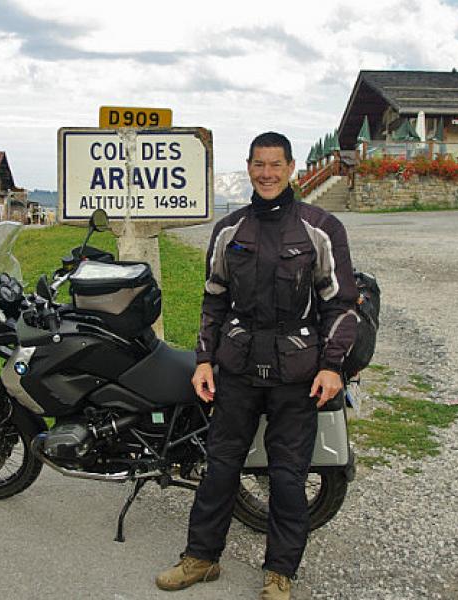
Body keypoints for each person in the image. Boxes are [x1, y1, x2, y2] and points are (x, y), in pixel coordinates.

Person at [155, 132, 359, 599]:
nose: (266, 173)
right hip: (237, 370)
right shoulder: (230, 230)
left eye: (276, 165)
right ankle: (201, 559)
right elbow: (214, 300)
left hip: (298, 374)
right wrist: (204, 359)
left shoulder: (321, 228)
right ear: (248, 167)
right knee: (220, 468)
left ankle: (279, 573)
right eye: (258, 164)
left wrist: (331, 366)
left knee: (287, 477)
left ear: (291, 168)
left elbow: (341, 305)